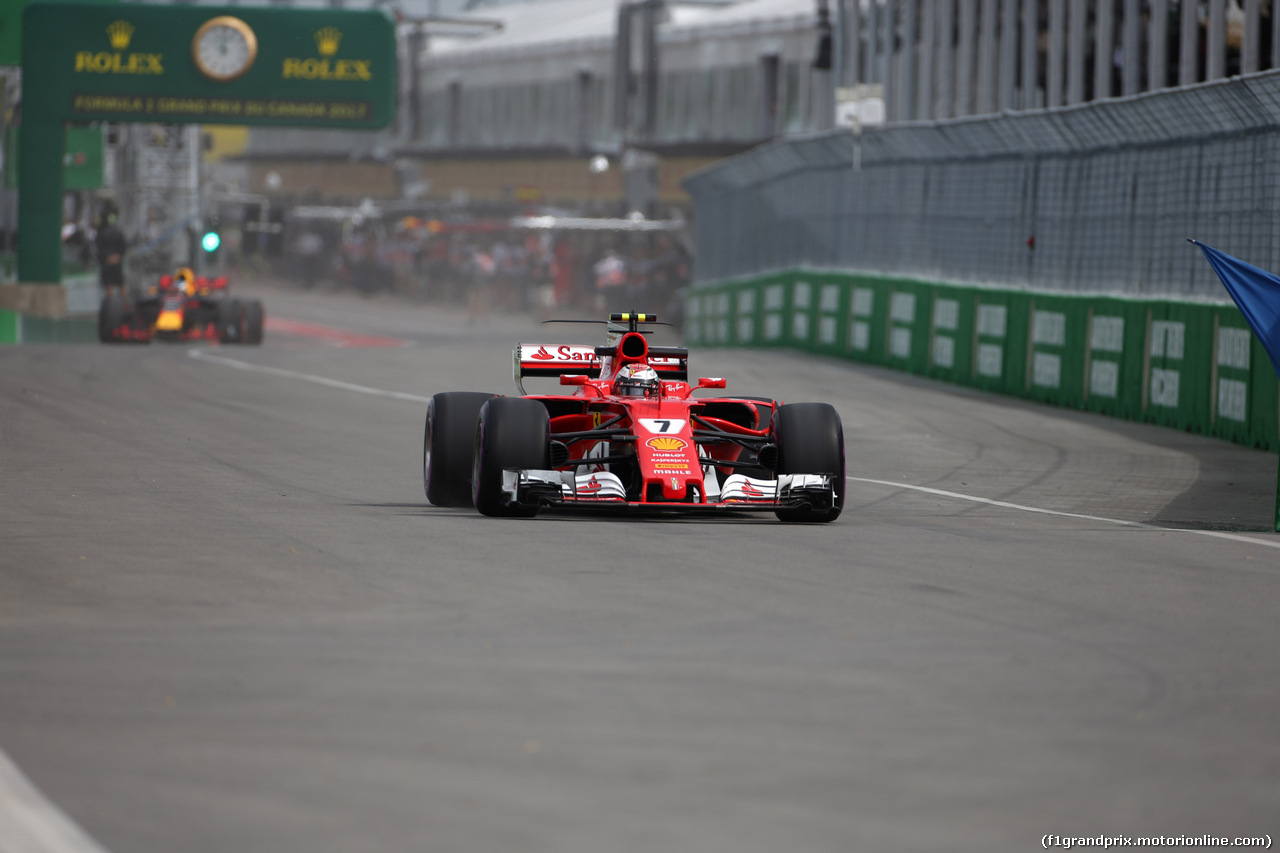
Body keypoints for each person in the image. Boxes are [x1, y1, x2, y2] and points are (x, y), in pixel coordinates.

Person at [95, 213, 127, 298]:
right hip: (115, 260)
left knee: (110, 284)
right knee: (120, 283)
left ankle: (111, 302)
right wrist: (117, 256)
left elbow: (99, 247)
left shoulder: (101, 233)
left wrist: (108, 257)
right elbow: (123, 246)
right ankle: (123, 303)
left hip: (107, 261)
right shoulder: (118, 232)